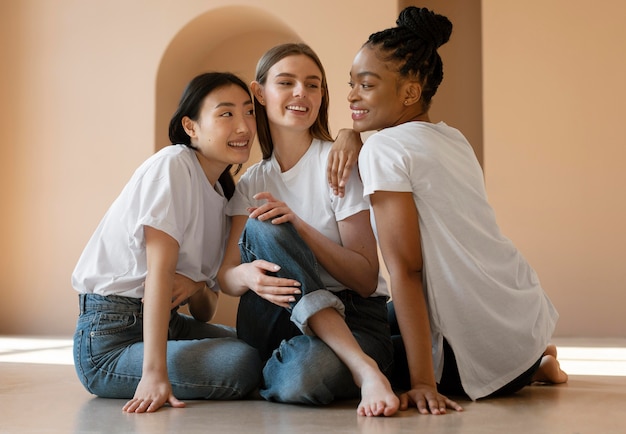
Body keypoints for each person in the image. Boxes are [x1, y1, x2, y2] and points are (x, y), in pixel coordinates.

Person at [346, 6, 568, 415]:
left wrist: (422, 383)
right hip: (522, 320)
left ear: (410, 93)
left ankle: (524, 369)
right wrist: (351, 136)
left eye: (366, 85)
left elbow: (407, 271)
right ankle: (534, 364)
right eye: (352, 84)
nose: (352, 96)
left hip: (478, 353)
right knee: (384, 317)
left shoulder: (382, 149)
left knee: (355, 359)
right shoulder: (453, 139)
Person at [217, 43, 399, 417]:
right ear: (259, 93)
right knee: (263, 226)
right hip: (274, 319)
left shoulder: (337, 163)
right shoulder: (252, 181)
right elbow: (225, 277)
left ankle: (367, 362)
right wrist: (247, 276)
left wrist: (297, 226)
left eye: (312, 85)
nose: (302, 92)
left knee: (297, 378)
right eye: (286, 82)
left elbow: (365, 279)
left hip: (355, 315)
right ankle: (369, 365)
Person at [71, 72, 263, 413]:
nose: (244, 127)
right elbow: (157, 276)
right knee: (242, 362)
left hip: (168, 324)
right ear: (191, 127)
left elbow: (206, 307)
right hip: (109, 339)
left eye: (248, 112)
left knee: (258, 345)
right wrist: (154, 373)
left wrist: (194, 286)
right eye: (226, 113)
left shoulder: (221, 195)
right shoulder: (174, 165)